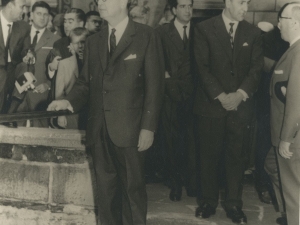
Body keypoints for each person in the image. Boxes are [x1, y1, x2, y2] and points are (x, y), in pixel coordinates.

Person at [47, 0, 164, 224]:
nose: (100, 3)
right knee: (106, 194)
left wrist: (148, 127)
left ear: (122, 3)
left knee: (132, 193)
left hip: (131, 130)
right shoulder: (94, 41)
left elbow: (155, 87)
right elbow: (84, 84)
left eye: (106, 0)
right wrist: (67, 102)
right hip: (100, 130)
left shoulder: (146, 35)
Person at [193, 0, 263, 224]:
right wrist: (222, 96)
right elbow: (201, 67)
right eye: (242, 2)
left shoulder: (253, 32)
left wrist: (240, 94)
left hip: (240, 107)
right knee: (209, 157)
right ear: (229, 2)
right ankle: (208, 202)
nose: (246, 8)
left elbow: (256, 68)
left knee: (236, 158)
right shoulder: (204, 29)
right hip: (211, 105)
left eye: (247, 3)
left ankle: (234, 204)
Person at [156, 0, 196, 202]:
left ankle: (190, 180)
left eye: (189, 6)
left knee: (191, 138)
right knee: (171, 140)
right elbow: (157, 62)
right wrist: (169, 83)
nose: (187, 10)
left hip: (194, 94)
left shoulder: (200, 31)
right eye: (182, 6)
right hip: (170, 94)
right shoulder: (162, 32)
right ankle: (175, 182)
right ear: (173, 10)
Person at [270, 2, 300, 225]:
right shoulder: (292, 51)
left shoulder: (298, 54)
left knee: (293, 189)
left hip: (292, 136)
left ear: (297, 23)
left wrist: (286, 139)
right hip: (285, 132)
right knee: (270, 166)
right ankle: (290, 215)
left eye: (283, 19)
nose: (278, 22)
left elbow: (296, 102)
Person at [8, 1, 60, 127]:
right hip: (16, 92)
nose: (42, 17)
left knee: (40, 132)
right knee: (14, 130)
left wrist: (47, 85)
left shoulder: (56, 40)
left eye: (45, 14)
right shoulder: (18, 34)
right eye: (38, 13)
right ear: (31, 15)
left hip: (40, 95)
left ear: (49, 17)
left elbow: (59, 69)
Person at [53, 27, 90, 129]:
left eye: (83, 42)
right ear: (71, 45)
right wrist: (61, 115)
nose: (80, 46)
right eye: (75, 43)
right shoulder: (64, 63)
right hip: (71, 113)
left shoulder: (96, 62)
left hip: (91, 114)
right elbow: (59, 92)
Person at [47, 8, 86, 102]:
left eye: (70, 22)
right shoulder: (59, 44)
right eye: (65, 21)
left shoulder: (92, 41)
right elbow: (56, 78)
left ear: (81, 23)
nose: (66, 25)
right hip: (66, 97)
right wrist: (52, 68)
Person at [0, 0, 30, 112]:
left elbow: (26, 50)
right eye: (22, 7)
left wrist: (28, 55)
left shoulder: (24, 27)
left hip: (12, 76)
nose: (24, 11)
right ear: (10, 6)